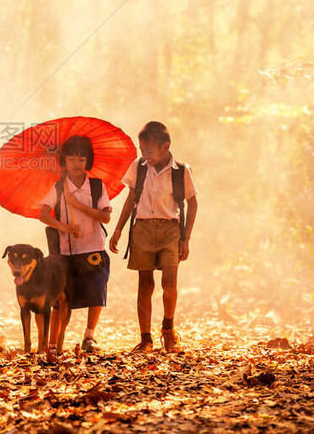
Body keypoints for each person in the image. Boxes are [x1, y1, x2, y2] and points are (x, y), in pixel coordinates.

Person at [109, 121, 198, 353]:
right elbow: (131, 200)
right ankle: (145, 338)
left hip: (170, 230)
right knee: (145, 284)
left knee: (169, 283)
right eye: (141, 150)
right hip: (143, 229)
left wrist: (185, 238)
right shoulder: (139, 168)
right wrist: (118, 229)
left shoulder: (181, 171)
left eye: (148, 151)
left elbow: (193, 202)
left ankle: (168, 330)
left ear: (165, 147)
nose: (144, 155)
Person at [39, 135, 112, 354]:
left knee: (97, 290)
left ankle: (89, 336)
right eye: (71, 160)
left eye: (81, 160)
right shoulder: (59, 187)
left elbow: (105, 217)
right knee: (60, 298)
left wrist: (77, 205)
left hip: (94, 247)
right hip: (66, 252)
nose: (76, 165)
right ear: (65, 162)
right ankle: (53, 344)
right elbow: (43, 214)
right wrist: (63, 227)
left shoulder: (97, 186)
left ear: (88, 161)